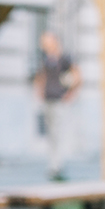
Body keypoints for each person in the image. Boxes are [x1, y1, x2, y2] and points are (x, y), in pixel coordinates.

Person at [34, 31, 81, 181]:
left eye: (46, 42)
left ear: (54, 41)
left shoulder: (64, 58)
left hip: (60, 100)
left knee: (59, 133)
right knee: (51, 134)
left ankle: (59, 166)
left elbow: (78, 75)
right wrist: (40, 91)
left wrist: (71, 94)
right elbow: (41, 75)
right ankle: (53, 165)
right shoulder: (46, 58)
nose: (44, 45)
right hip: (48, 100)